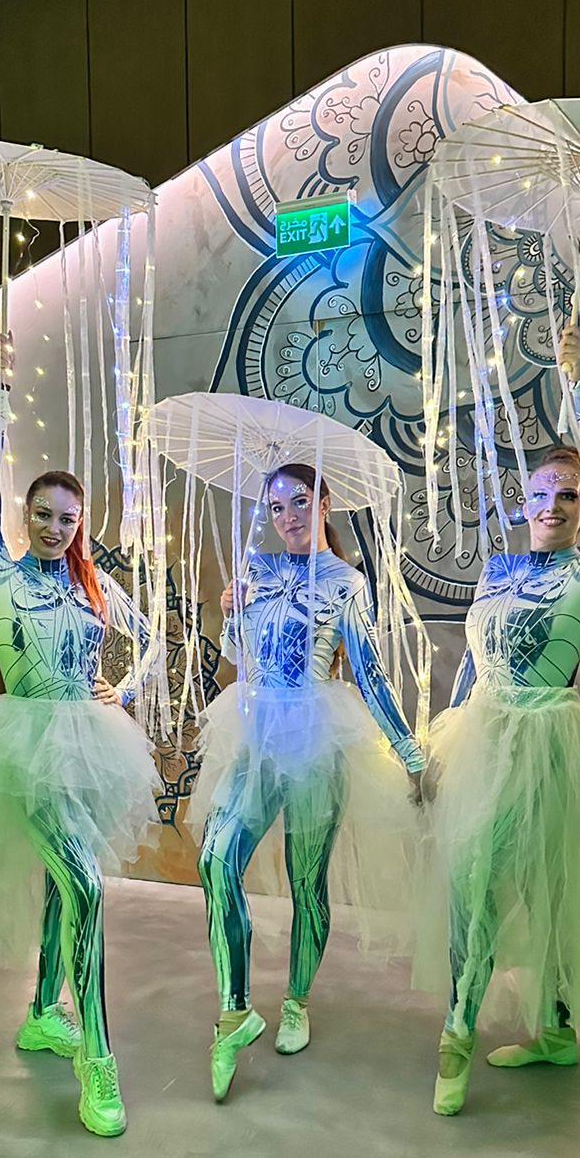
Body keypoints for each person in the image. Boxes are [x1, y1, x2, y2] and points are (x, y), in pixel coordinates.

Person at [414, 326, 580, 1116]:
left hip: (550, 747)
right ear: (523, 503)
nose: (553, 506)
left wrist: (579, 391)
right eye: (542, 494)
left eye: (569, 496)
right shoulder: (498, 568)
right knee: (475, 885)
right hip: (485, 737)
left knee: (548, 892)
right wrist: (444, 738)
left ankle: (516, 1032)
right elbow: (475, 660)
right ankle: (474, 1022)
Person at [0, 341, 161, 1138]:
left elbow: (152, 641)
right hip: (24, 751)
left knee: (65, 888)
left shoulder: (88, 588)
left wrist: (121, 690)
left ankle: (41, 1011)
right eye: (43, 514)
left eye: (68, 519)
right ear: (24, 515)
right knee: (86, 888)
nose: (55, 529)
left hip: (89, 744)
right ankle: (97, 1063)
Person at [193, 462, 425, 1102]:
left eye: (300, 501)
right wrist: (231, 613)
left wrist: (408, 752)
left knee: (306, 880)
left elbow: (369, 672)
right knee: (215, 858)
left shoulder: (346, 582)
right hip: (257, 732)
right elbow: (240, 657)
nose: (288, 516)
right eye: (276, 507)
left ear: (324, 504)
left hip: (317, 738)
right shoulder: (258, 570)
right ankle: (235, 1011)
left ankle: (297, 999)